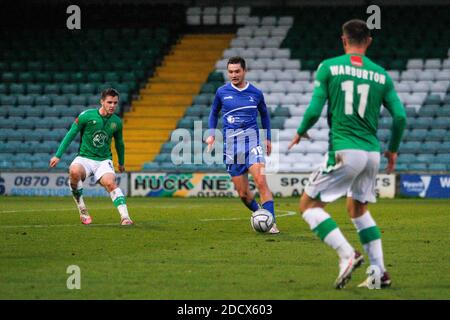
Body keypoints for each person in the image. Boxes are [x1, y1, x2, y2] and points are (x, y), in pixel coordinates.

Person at [288, 19, 406, 289]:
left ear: (343, 41)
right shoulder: (381, 75)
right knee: (357, 209)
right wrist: (393, 150)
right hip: (372, 153)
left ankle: (347, 255)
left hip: (345, 150)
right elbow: (399, 117)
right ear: (369, 41)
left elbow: (315, 110)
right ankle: (380, 273)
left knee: (308, 206)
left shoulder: (329, 67)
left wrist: (301, 130)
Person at [206, 56, 279, 234]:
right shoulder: (221, 92)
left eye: (237, 71)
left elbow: (265, 116)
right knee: (243, 194)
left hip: (253, 143)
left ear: (244, 71)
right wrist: (210, 134)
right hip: (232, 148)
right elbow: (213, 113)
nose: (233, 74)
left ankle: (271, 222)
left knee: (261, 181)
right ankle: (260, 214)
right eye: (230, 71)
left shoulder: (256, 93)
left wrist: (268, 138)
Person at [49, 88, 133, 226]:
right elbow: (71, 134)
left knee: (111, 183)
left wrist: (121, 162)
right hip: (84, 158)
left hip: (103, 160)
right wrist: (58, 155)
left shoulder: (116, 122)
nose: (112, 105)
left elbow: (119, 143)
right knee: (74, 171)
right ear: (102, 102)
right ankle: (82, 209)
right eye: (109, 102)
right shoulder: (86, 116)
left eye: (115, 103)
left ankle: (125, 217)